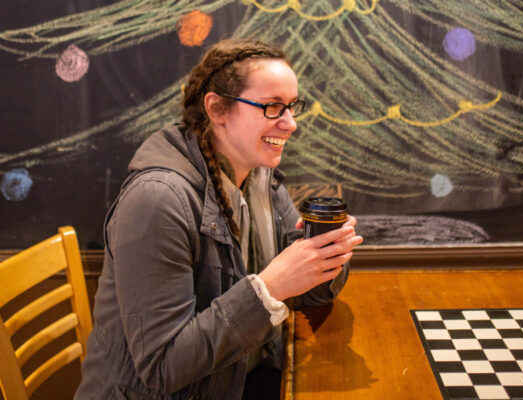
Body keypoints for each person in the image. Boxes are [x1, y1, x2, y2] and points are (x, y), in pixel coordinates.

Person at [74, 38, 363, 400]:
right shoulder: (157, 200)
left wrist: (327, 256)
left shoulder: (259, 176)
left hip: (237, 378)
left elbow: (310, 295)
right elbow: (163, 368)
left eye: (291, 107)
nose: (290, 124)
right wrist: (269, 290)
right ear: (217, 109)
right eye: (273, 107)